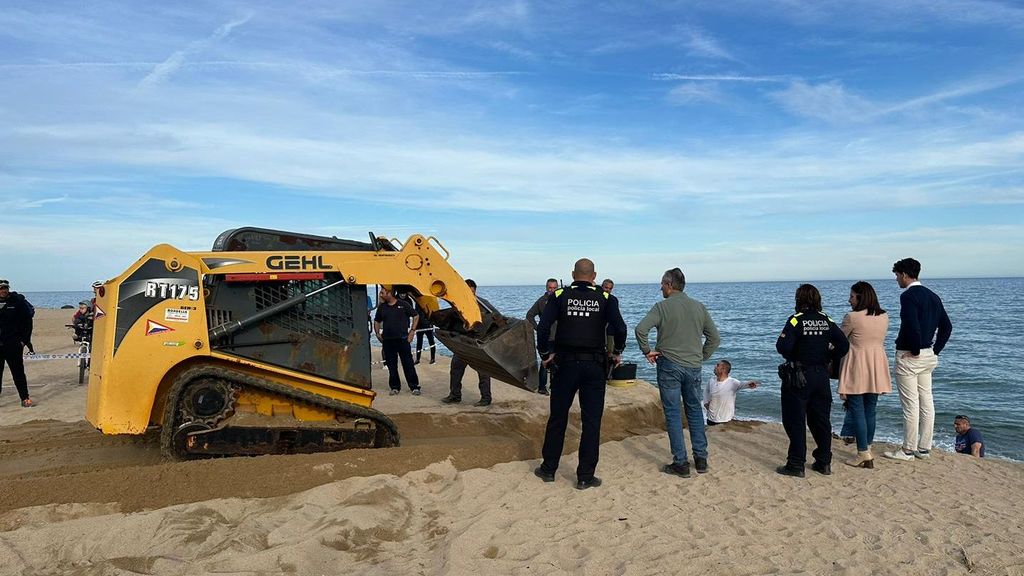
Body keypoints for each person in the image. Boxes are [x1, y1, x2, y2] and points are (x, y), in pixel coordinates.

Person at [534, 259, 626, 490]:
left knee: (558, 417)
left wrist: (545, 353)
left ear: (573, 274)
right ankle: (585, 476)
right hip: (594, 367)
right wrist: (616, 352)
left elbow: (543, 327)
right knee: (591, 421)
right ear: (594, 275)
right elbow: (621, 328)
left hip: (565, 365)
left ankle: (548, 469)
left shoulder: (560, 295)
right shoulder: (606, 299)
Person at [635, 267, 720, 478]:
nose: (661, 288)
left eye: (662, 284)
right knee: (694, 411)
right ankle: (701, 459)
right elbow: (714, 338)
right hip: (693, 366)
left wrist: (647, 351)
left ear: (669, 285)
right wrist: (701, 356)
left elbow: (640, 329)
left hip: (669, 365)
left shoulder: (662, 307)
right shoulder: (698, 307)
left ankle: (680, 462)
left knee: (673, 413)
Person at [775, 284, 850, 477]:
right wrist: (828, 354)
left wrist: (799, 354)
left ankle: (796, 464)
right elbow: (843, 345)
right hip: (821, 375)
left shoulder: (795, 320)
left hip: (799, 376)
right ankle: (824, 462)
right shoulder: (826, 320)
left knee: (795, 420)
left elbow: (782, 347)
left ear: (799, 299)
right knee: (821, 420)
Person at [884, 258, 953, 462]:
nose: (897, 279)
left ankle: (907, 450)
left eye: (897, 275)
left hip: (911, 355)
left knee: (910, 405)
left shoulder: (908, 296)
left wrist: (914, 349)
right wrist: (935, 350)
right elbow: (946, 327)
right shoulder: (933, 296)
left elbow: (911, 324)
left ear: (904, 274)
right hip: (928, 355)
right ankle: (924, 448)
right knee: (926, 402)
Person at [838, 281, 892, 469]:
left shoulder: (852, 317)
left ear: (860, 297)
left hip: (857, 364)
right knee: (871, 408)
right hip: (877, 363)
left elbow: (839, 339)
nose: (849, 299)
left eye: (852, 296)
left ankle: (863, 452)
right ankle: (867, 447)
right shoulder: (884, 316)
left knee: (857, 409)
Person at [443, 280, 494, 407]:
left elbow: (494, 318)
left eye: (472, 292)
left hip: (479, 344)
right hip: (463, 343)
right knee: (455, 368)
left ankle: (486, 398)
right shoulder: (458, 305)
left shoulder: (484, 304)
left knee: (483, 372)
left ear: (475, 291)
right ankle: (455, 395)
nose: (469, 295)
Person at [373, 287, 421, 396]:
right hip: (388, 341)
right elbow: (376, 320)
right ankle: (394, 387)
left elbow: (416, 316)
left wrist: (412, 331)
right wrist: (377, 334)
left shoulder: (403, 304)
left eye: (382, 292)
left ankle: (414, 386)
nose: (380, 295)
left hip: (403, 340)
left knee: (408, 364)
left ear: (389, 293)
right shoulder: (382, 307)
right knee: (391, 365)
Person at [0, 279, 35, 407]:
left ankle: (25, 398)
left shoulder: (17, 302)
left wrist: (23, 341)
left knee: (18, 373)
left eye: (5, 288)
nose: (3, 290)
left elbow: (27, 322)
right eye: (1, 288)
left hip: (13, 343)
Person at [526, 278, 559, 395]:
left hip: (559, 337)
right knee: (545, 363)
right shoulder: (541, 301)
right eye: (550, 288)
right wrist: (538, 328)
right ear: (546, 288)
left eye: (555, 288)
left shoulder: (561, 300)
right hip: (545, 337)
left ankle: (555, 386)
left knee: (557, 362)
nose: (552, 290)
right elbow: (529, 315)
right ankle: (542, 387)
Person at [703, 360, 759, 426]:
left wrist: (750, 384)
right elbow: (706, 392)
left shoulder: (732, 382)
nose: (715, 367)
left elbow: (742, 384)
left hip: (725, 420)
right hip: (710, 418)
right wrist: (705, 403)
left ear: (723, 369)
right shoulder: (711, 380)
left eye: (717, 365)